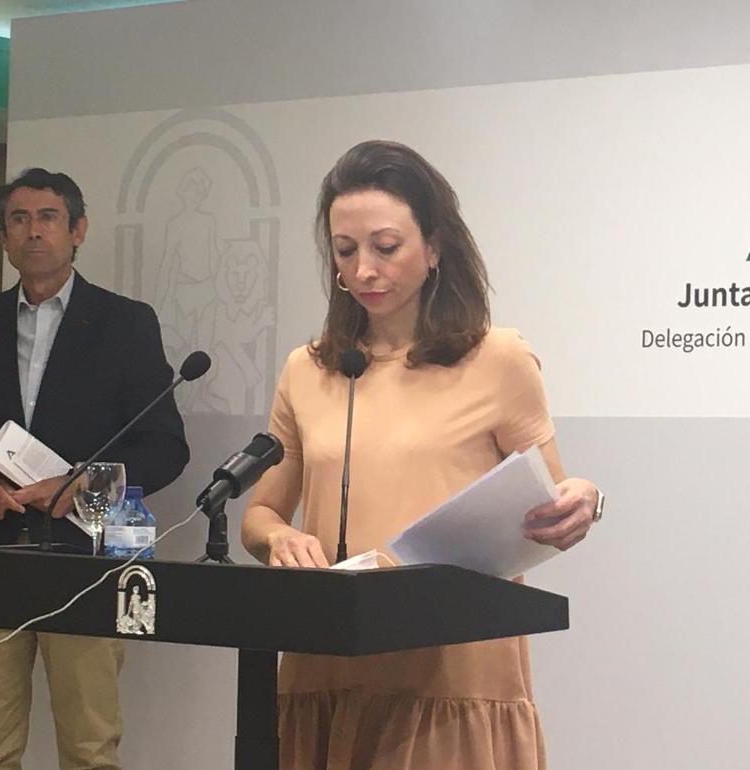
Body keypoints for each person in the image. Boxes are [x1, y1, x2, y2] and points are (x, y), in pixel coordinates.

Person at [241, 140, 603, 770]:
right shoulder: (310, 368)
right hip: (326, 661)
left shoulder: (498, 358)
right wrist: (276, 539)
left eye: (386, 248)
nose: (363, 272)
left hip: (450, 671)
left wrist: (587, 499)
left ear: (434, 248)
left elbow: (553, 494)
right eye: (345, 251)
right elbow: (261, 513)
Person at [0, 168, 190, 770]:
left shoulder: (126, 322)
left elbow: (166, 447)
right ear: (3, 238)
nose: (33, 232)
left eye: (47, 217)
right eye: (19, 219)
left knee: (91, 749)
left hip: (89, 552)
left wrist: (82, 489)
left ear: (78, 231)